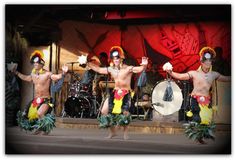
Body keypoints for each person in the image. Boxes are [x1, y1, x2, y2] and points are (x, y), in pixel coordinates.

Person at [163, 46, 230, 144]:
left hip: (206, 101)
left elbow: (226, 79)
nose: (207, 63)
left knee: (206, 120)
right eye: (205, 61)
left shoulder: (214, 74)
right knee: (197, 118)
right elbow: (181, 76)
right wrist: (171, 72)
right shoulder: (194, 73)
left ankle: (200, 136)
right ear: (201, 62)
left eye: (209, 61)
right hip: (195, 99)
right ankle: (196, 133)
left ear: (211, 62)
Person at [78, 46, 148, 140]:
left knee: (125, 112)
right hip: (114, 93)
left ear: (121, 58)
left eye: (117, 58)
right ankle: (113, 132)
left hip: (125, 93)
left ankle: (125, 133)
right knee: (104, 111)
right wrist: (87, 63)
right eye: (114, 58)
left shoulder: (128, 69)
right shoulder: (111, 69)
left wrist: (144, 65)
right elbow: (99, 69)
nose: (116, 60)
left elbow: (140, 69)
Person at [13, 50, 68, 135]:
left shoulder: (47, 74)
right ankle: (40, 127)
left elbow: (56, 77)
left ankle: (46, 128)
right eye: (34, 63)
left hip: (46, 100)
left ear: (41, 64)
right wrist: (17, 73)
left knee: (40, 113)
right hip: (36, 100)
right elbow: (26, 78)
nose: (35, 65)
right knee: (31, 115)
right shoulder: (33, 74)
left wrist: (63, 73)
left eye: (37, 63)